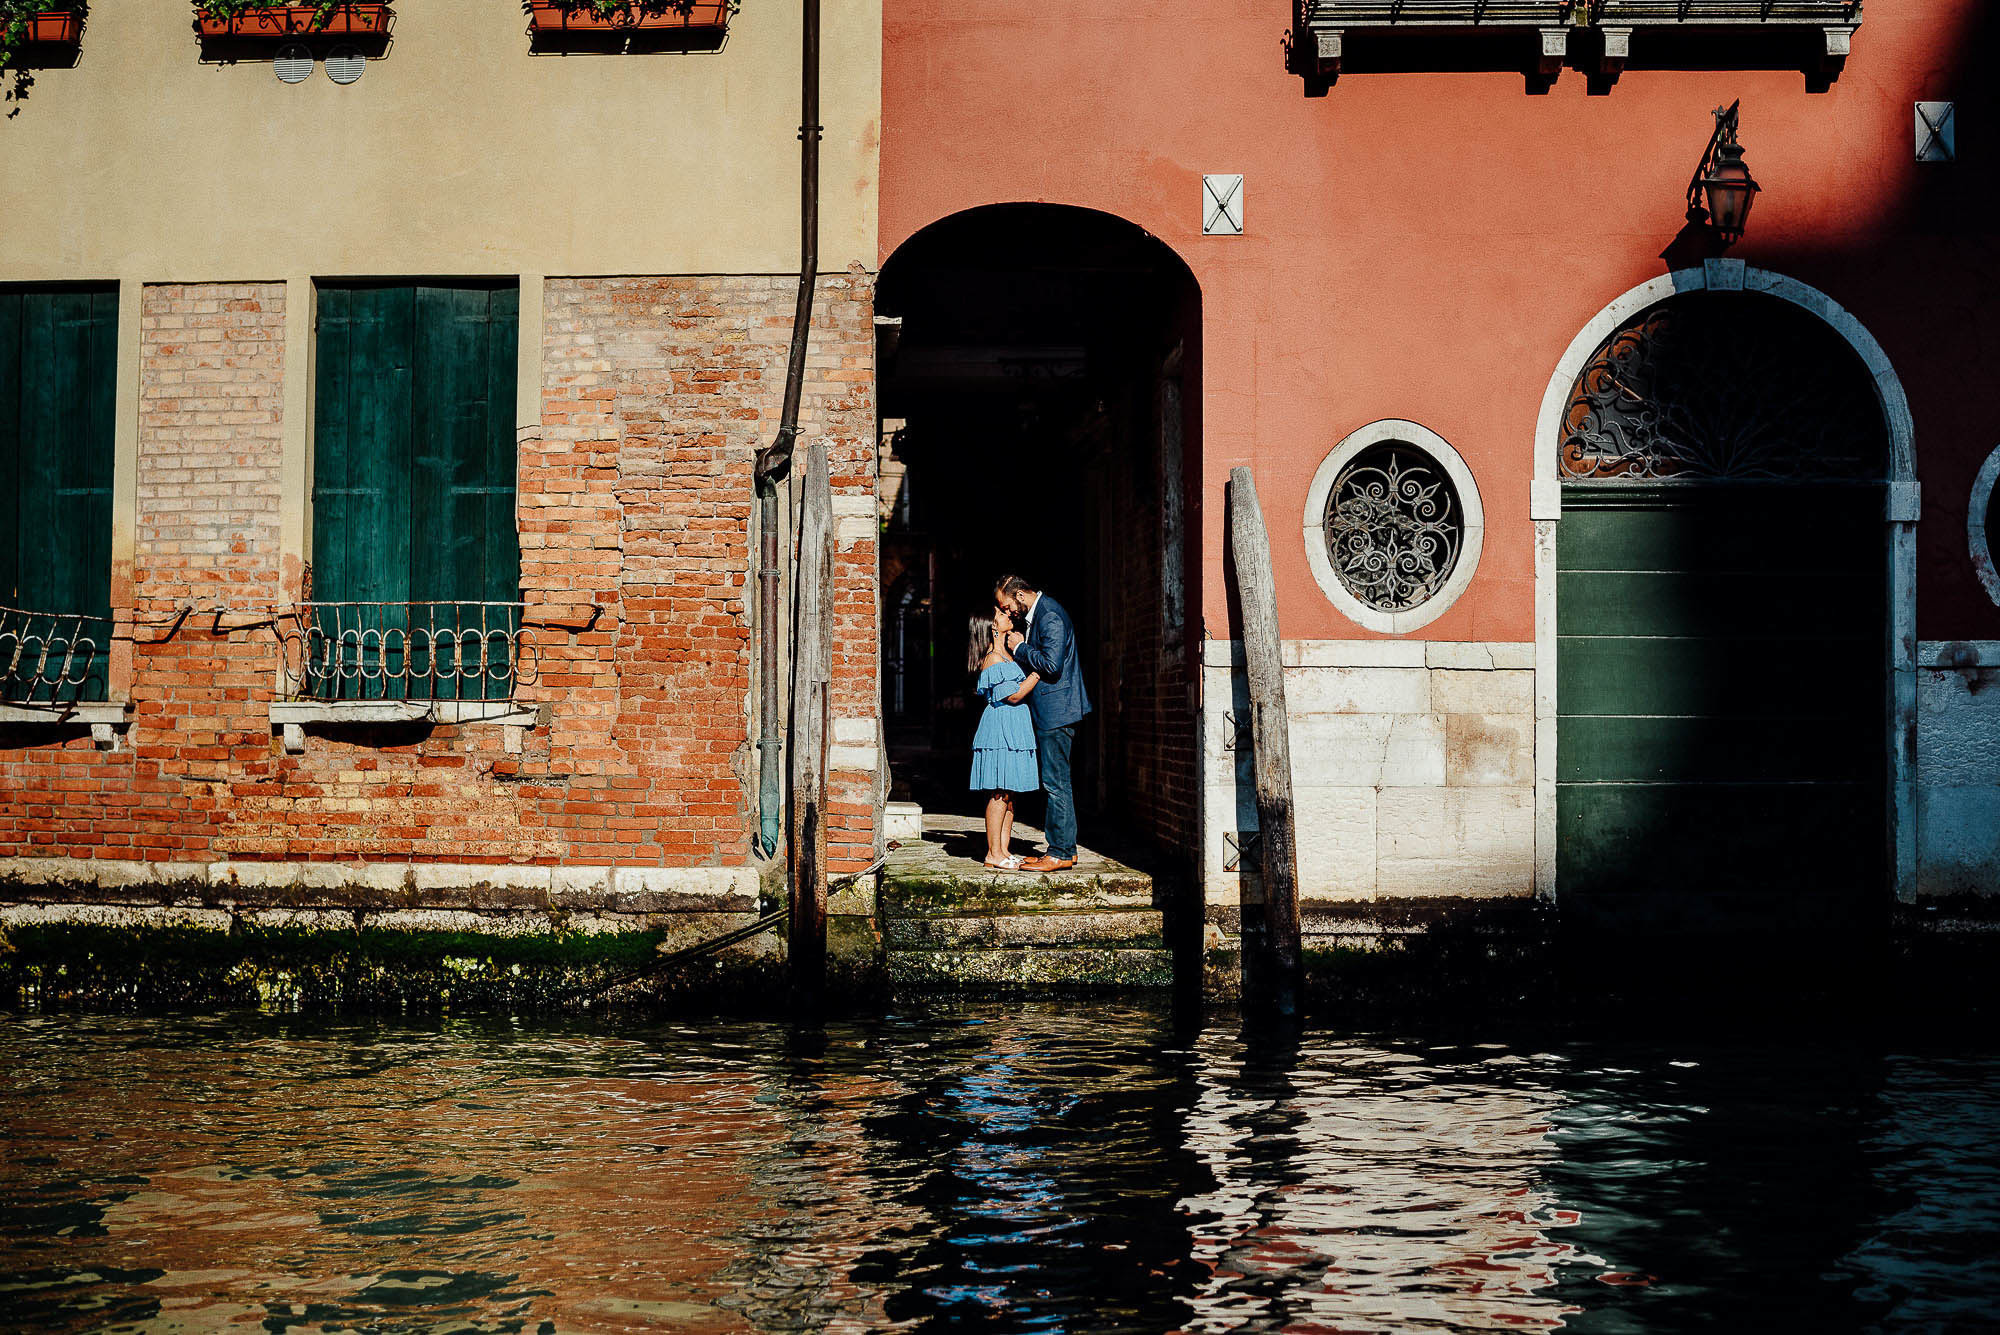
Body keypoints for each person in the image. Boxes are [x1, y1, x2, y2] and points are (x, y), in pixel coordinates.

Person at [994, 574, 1090, 872]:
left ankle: (1059, 852)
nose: (1008, 611)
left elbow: (1051, 665)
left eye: (1007, 605)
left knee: (1054, 782)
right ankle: (1066, 849)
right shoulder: (1040, 614)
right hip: (1053, 710)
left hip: (1057, 711)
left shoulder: (1049, 616)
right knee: (1057, 780)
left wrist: (1021, 648)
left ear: (1020, 595)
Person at [967, 610, 1040, 870]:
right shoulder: (993, 659)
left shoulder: (1007, 656)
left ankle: (1004, 850)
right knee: (999, 792)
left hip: (1014, 727)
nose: (1007, 613)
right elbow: (1013, 696)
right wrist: (1037, 673)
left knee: (1009, 795)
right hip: (1000, 729)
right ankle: (993, 853)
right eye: (1000, 613)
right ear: (994, 627)